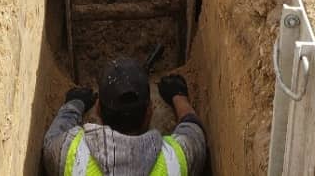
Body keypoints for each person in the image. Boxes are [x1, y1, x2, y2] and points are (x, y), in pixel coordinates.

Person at [43, 56, 207, 175]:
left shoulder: (72, 155)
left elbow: (52, 140)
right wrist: (179, 96)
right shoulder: (175, 161)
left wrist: (74, 103)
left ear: (98, 110)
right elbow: (194, 133)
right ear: (150, 111)